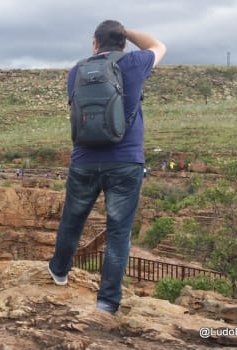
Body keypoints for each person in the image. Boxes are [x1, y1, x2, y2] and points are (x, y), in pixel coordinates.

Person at [48, 20, 166, 315]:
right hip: (125, 162)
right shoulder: (136, 62)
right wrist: (130, 33)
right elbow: (158, 46)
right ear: (124, 43)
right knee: (118, 231)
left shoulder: (77, 71)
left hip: (84, 160)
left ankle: (59, 271)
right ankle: (107, 301)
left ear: (95, 43)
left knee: (72, 220)